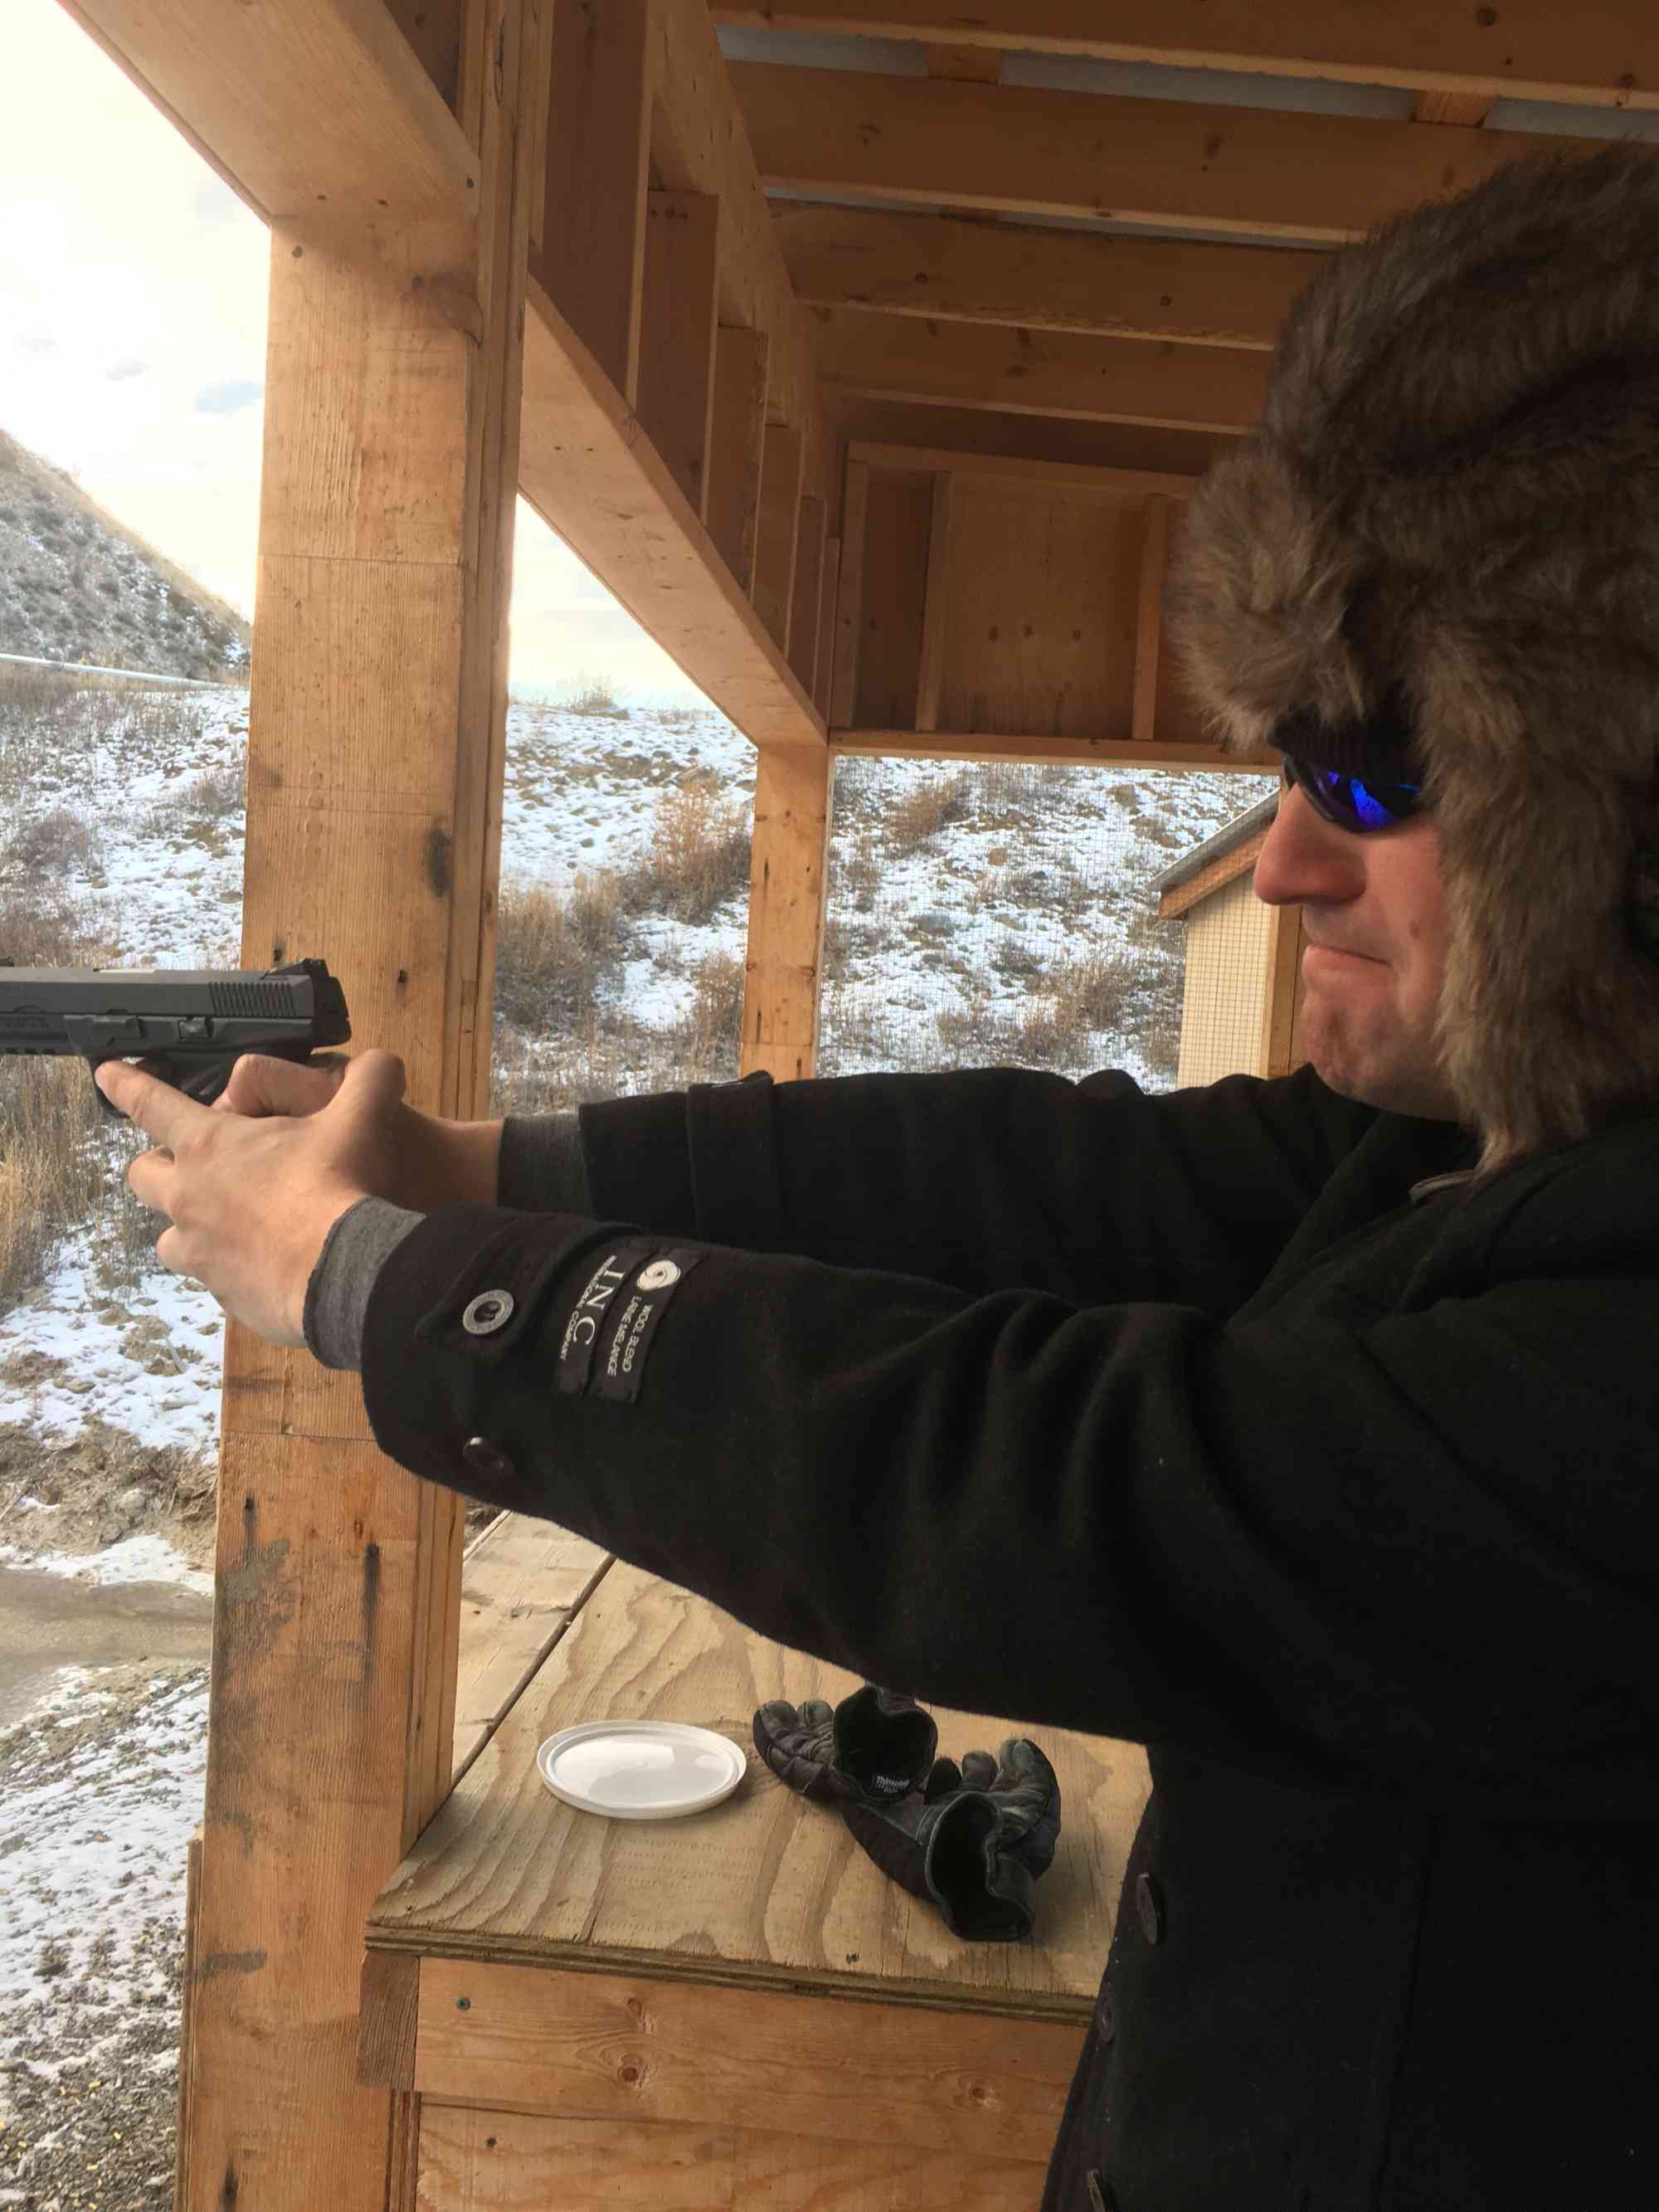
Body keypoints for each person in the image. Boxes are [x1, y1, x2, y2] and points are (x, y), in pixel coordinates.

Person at [95, 139, 1659, 2210]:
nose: (1285, 859)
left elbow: (1077, 1490)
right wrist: (482, 1168)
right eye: (1290, 765)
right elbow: (1037, 1186)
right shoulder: (1483, 1149)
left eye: (1371, 774)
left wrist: (407, 1284)